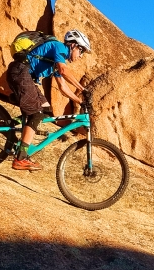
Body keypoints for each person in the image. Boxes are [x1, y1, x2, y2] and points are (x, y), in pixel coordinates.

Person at [6, 29, 92, 171]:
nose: (81, 56)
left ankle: (11, 124)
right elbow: (64, 72)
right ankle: (20, 158)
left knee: (46, 109)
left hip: (23, 76)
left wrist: (80, 101)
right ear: (73, 45)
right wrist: (83, 90)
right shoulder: (58, 47)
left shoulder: (57, 61)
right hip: (20, 73)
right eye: (81, 51)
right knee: (37, 114)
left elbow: (62, 87)